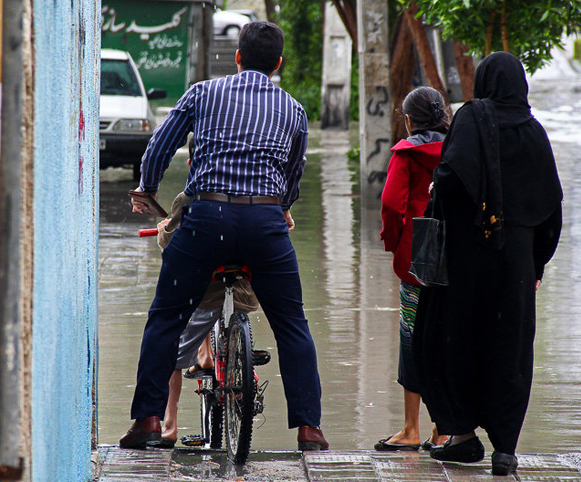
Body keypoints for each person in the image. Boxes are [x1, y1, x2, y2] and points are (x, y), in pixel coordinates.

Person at [120, 21, 328, 452]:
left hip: (206, 221)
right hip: (265, 225)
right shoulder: (293, 109)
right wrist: (282, 208)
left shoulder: (203, 93)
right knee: (292, 326)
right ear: (278, 64)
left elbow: (160, 146)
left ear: (237, 57)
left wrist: (148, 188)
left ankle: (147, 421)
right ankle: (310, 429)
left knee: (165, 318)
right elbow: (294, 174)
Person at [413, 52, 563, 476]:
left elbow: (448, 179)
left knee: (454, 342)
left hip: (464, 261)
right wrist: (536, 265)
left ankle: (461, 436)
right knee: (509, 349)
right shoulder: (535, 133)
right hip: (515, 266)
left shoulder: (470, 118)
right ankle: (505, 449)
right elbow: (552, 207)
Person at [148, 188, 261, 449]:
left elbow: (172, 245)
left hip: (205, 290)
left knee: (174, 353)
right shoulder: (252, 186)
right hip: (245, 288)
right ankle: (219, 353)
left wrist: (164, 229)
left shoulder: (189, 196)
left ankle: (169, 426)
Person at [374, 87, 450, 452]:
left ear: (408, 119)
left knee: (411, 338)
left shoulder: (406, 153)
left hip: (417, 257)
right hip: (457, 256)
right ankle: (445, 429)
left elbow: (391, 203)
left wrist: (394, 242)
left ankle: (410, 429)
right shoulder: (460, 147)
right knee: (447, 338)